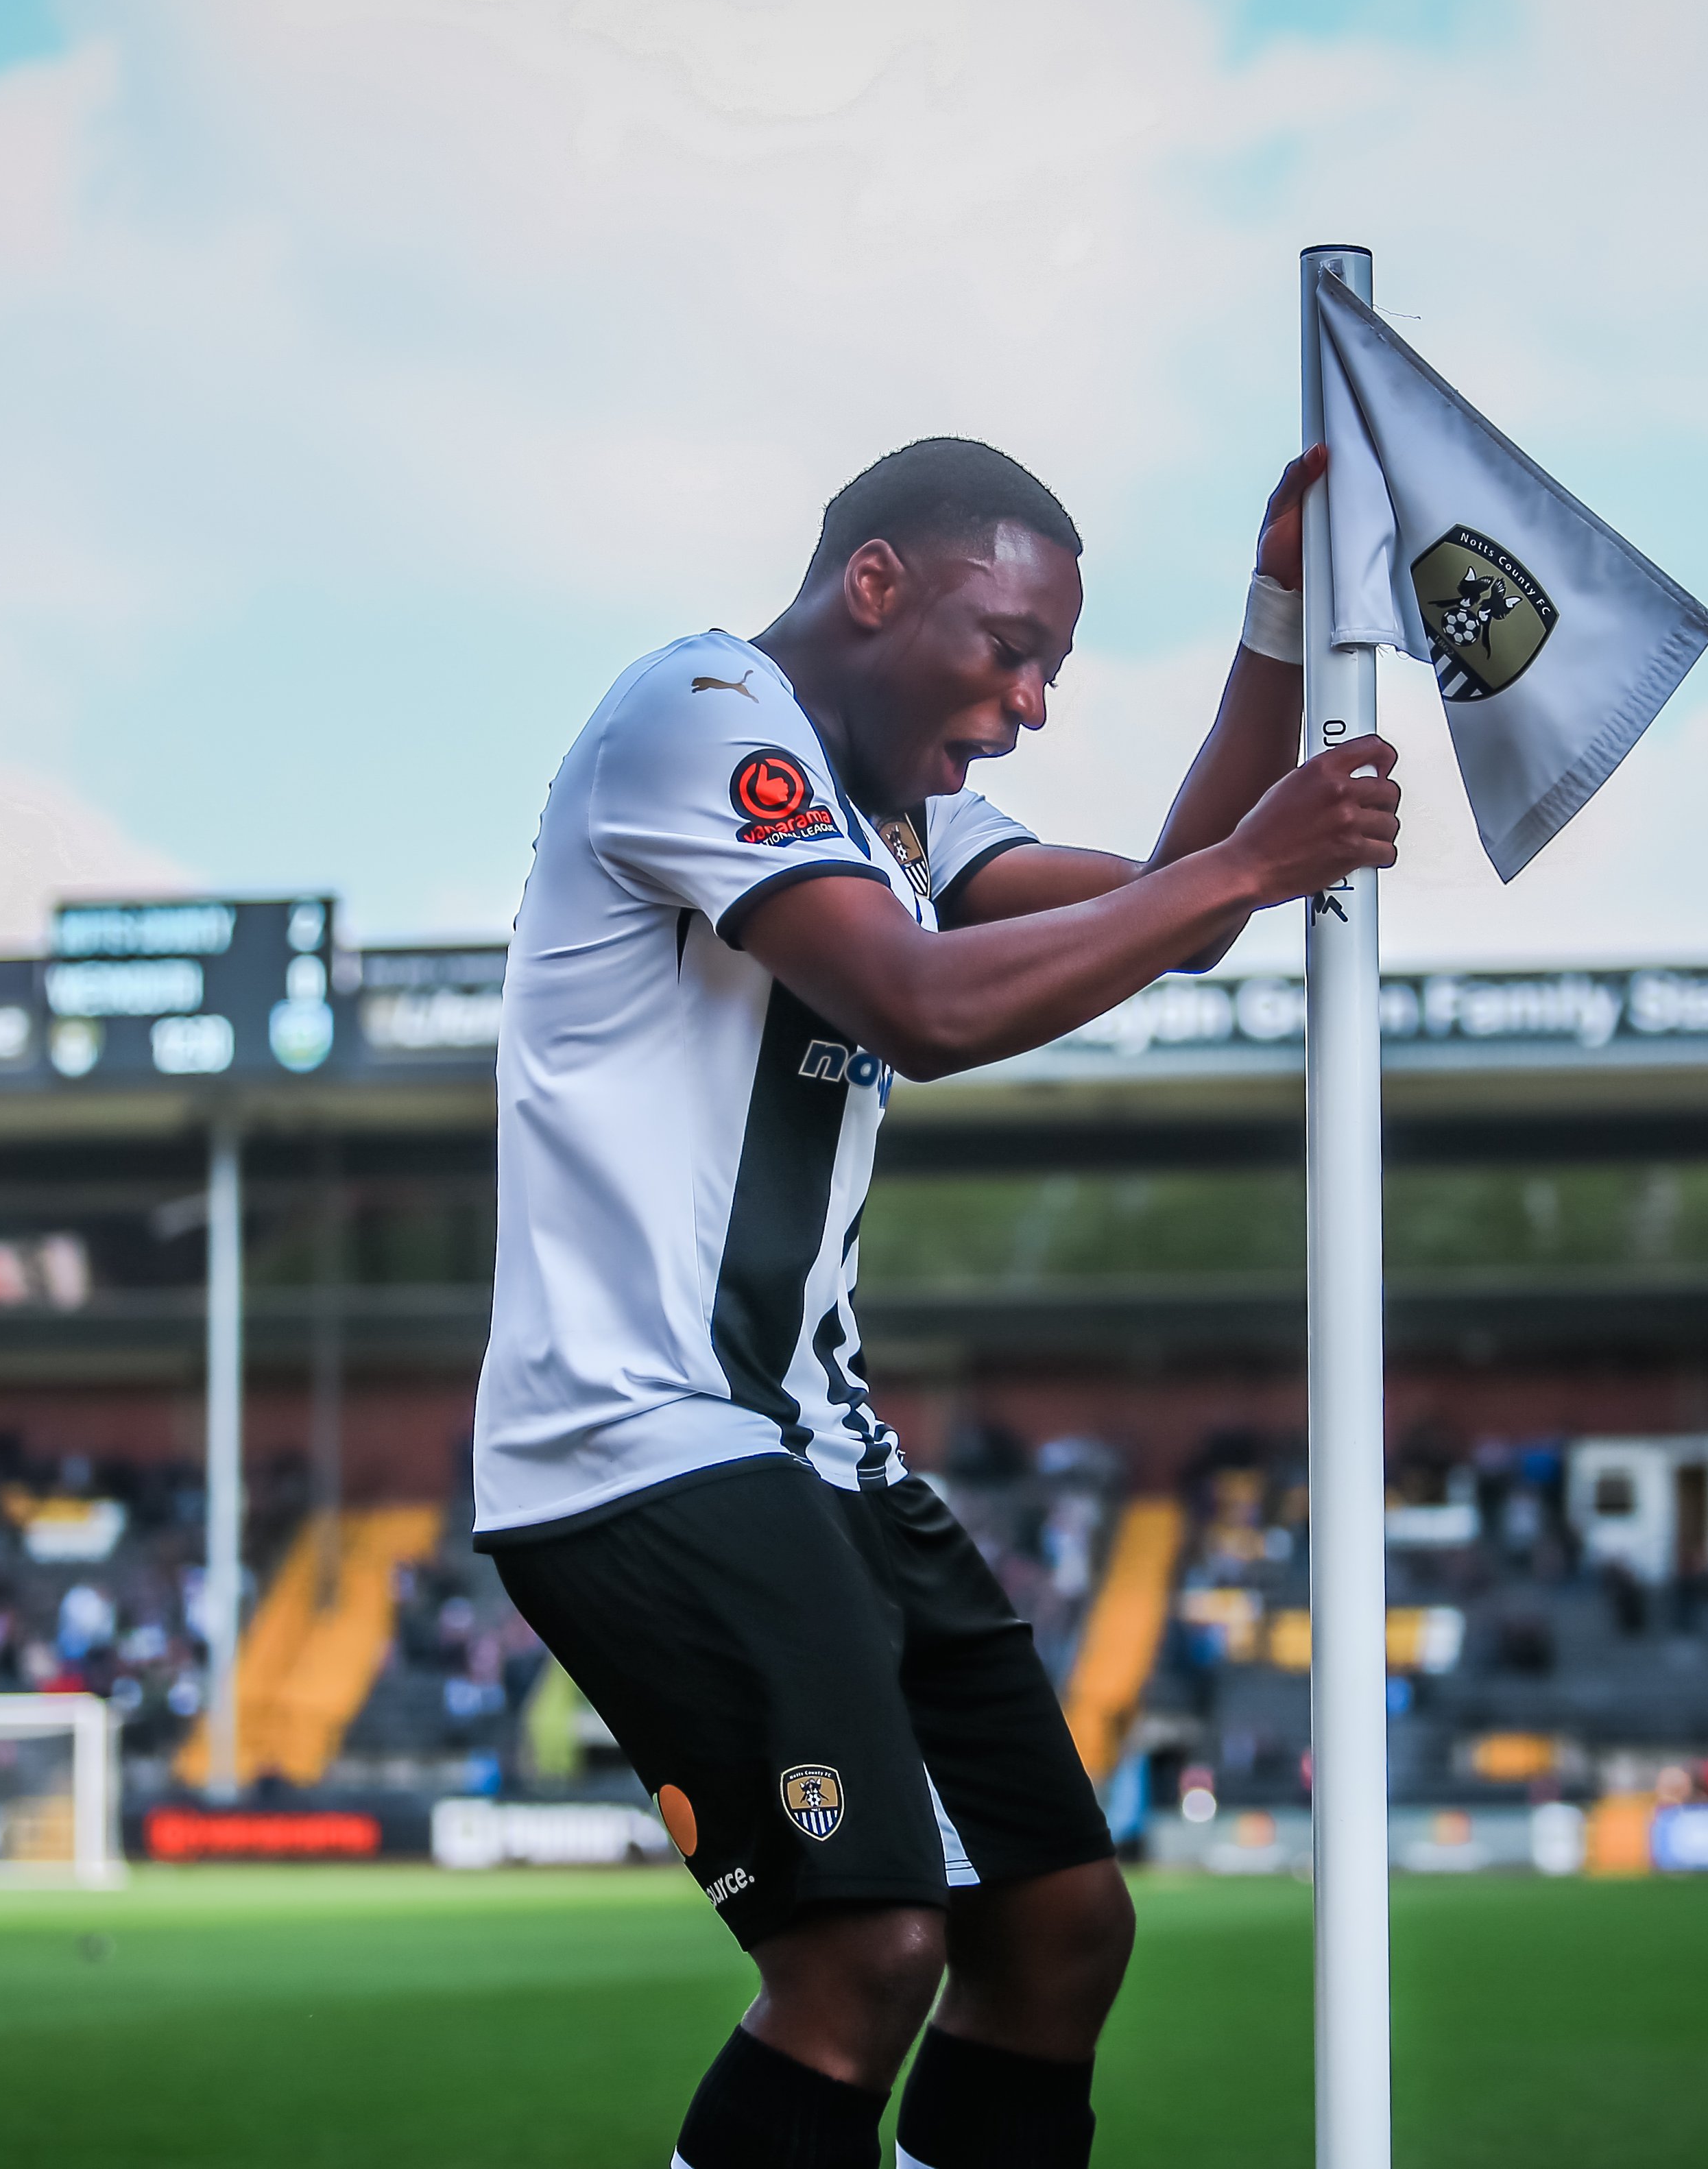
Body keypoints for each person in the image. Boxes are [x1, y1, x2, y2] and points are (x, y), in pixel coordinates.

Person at [472, 436, 1399, 2169]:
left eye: (1055, 663)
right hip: (636, 1435)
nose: (1033, 699)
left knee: (1057, 1934)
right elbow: (918, 1003)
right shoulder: (693, 712)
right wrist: (1245, 867)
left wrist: (1277, 609)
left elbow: (1165, 919)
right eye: (1007, 646)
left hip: (818, 1449)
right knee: (863, 1950)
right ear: (877, 585)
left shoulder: (900, 814)